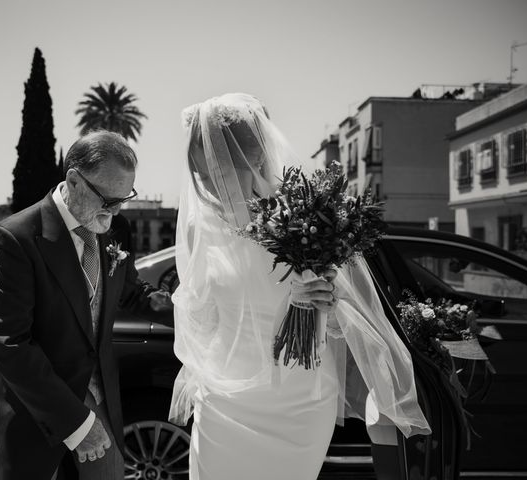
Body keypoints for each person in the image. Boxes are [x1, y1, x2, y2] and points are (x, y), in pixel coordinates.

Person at [169, 93, 431, 480]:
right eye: (202, 177)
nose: (209, 189)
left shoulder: (309, 218)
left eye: (219, 174)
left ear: (256, 159)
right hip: (224, 400)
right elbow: (196, 312)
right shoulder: (198, 226)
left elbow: (348, 321)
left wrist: (327, 301)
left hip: (298, 403)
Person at [0, 131, 172, 480]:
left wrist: (195, 313)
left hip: (101, 394)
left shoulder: (115, 228)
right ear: (73, 180)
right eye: (108, 200)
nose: (115, 211)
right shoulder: (15, 238)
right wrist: (77, 423)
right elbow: (9, 343)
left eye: (124, 198)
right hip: (38, 409)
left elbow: (131, 293)